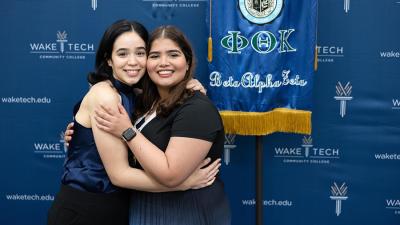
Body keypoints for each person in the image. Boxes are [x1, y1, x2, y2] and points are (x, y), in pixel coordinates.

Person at [48, 20, 220, 225]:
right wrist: (183, 184)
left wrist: (187, 86)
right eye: (122, 54)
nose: (133, 62)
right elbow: (119, 175)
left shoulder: (136, 96)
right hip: (87, 209)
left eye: (140, 53)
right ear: (108, 59)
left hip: (117, 207)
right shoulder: (106, 97)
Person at [93, 25, 231, 225]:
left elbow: (170, 175)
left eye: (173, 55)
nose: (163, 63)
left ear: (187, 61)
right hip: (146, 208)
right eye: (155, 56)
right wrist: (81, 133)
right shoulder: (145, 102)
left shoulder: (197, 109)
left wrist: (126, 130)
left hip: (188, 212)